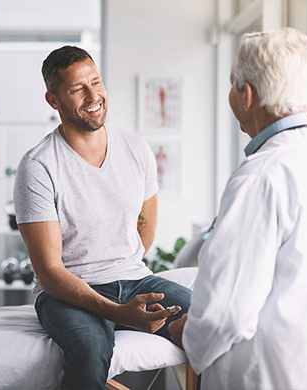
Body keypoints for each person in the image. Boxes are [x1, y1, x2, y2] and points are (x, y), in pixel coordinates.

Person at [169, 27, 307, 390]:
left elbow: (224, 313)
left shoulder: (260, 177)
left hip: (268, 377)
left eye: (233, 85)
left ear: (245, 94)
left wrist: (187, 332)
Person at [13, 46, 191, 390]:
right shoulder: (38, 166)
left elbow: (146, 224)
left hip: (136, 279)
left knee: (211, 322)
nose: (94, 96)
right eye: (78, 89)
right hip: (68, 292)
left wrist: (126, 266)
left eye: (96, 82)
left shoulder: (136, 149)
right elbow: (49, 271)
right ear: (54, 100)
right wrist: (117, 311)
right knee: (90, 350)